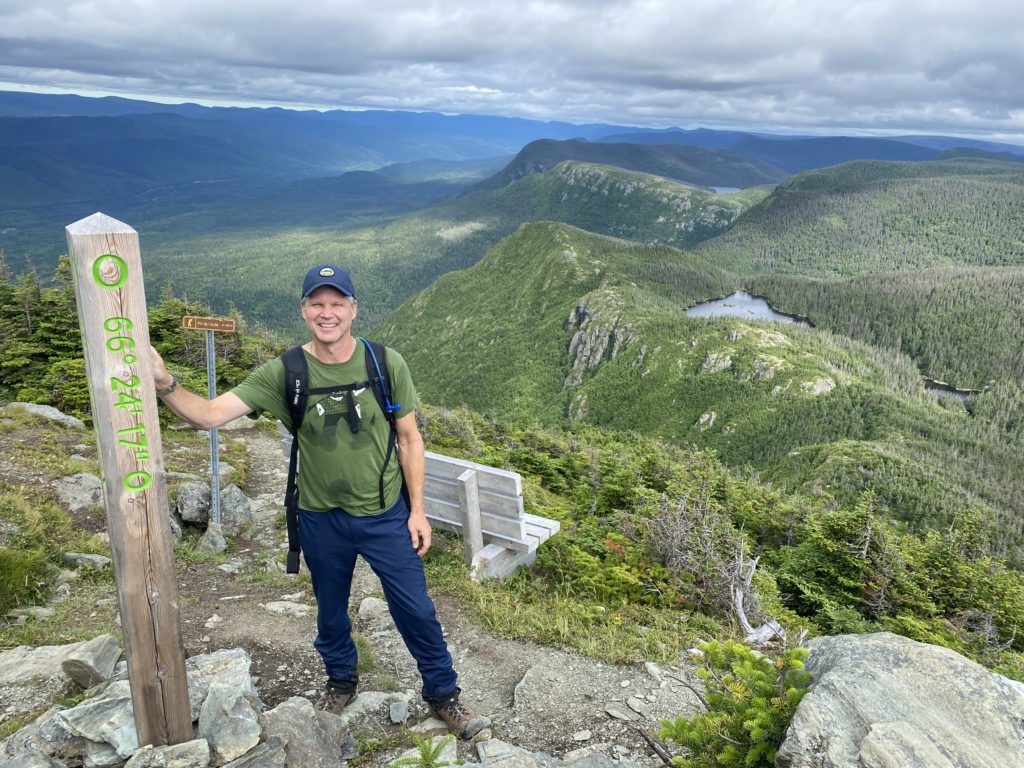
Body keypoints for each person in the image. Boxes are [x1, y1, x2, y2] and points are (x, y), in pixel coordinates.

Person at [150, 264, 486, 739]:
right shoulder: (285, 371)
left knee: (416, 610)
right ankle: (341, 680)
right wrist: (165, 382)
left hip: (385, 513)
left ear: (353, 309)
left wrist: (417, 510)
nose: (327, 313)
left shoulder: (384, 363)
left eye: (336, 303)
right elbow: (208, 416)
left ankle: (443, 695)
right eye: (317, 303)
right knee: (330, 611)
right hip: (319, 517)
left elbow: (410, 439)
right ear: (304, 310)